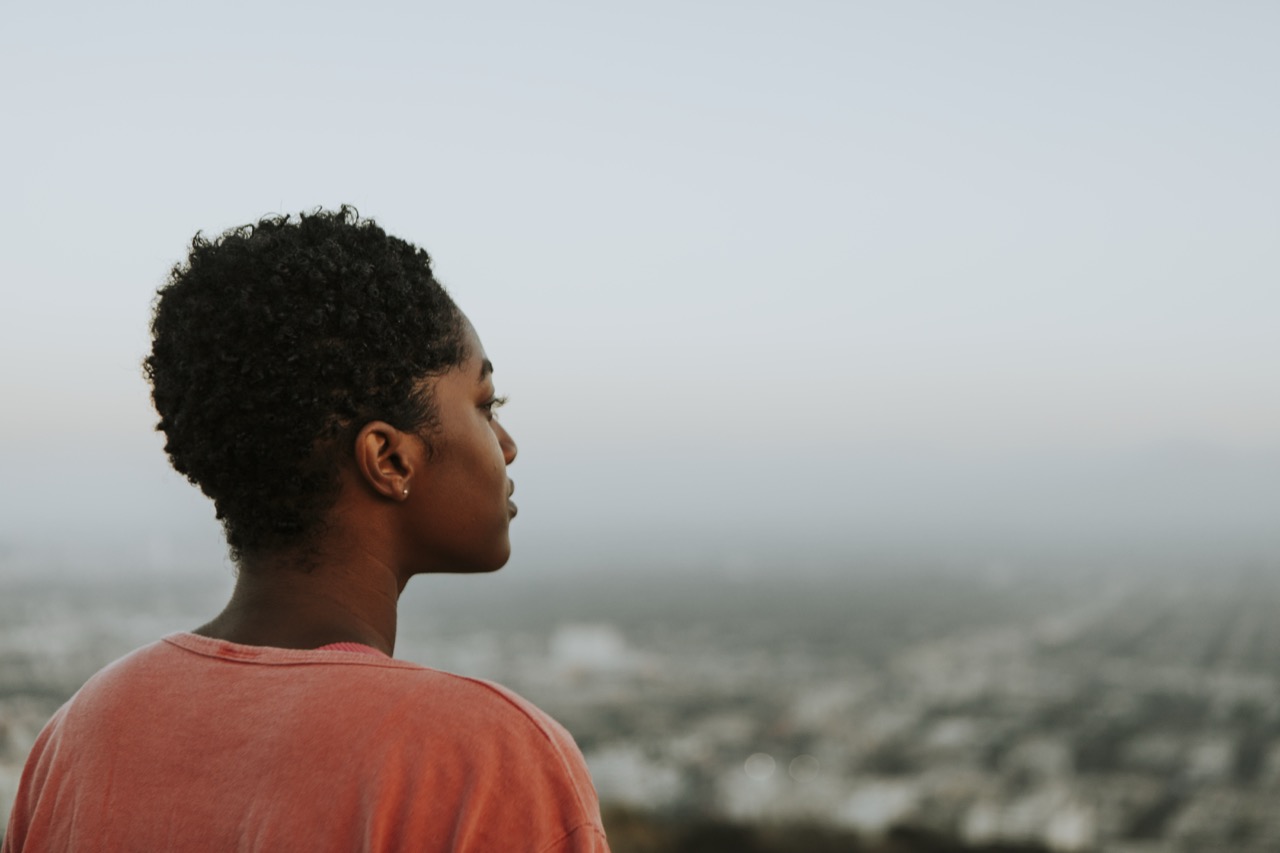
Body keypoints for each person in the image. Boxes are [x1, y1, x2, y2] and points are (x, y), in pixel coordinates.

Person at [2, 208, 611, 852]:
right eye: (486, 407)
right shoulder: (486, 763)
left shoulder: (83, 734)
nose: (507, 446)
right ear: (389, 459)